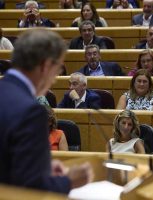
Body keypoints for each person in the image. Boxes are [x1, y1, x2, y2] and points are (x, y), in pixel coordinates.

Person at [0, 29, 93, 193]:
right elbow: (31, 189)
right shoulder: (31, 111)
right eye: (57, 69)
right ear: (46, 65)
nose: (56, 78)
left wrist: (40, 166)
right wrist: (69, 181)